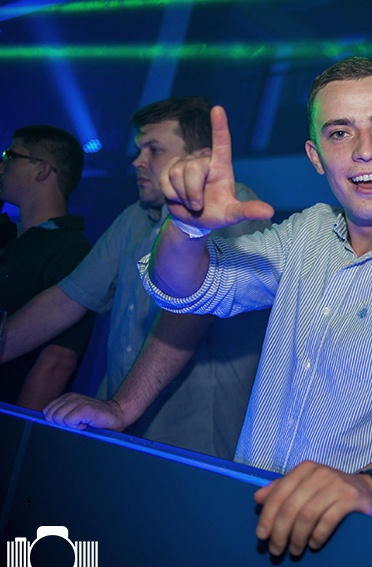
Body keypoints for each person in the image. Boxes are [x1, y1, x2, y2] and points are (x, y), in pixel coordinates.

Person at [138, 57, 372, 556]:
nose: (365, 150)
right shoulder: (306, 233)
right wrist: (187, 228)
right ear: (316, 156)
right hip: (247, 521)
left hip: (362, 549)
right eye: (340, 133)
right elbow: (185, 288)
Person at [1, 98, 269, 459]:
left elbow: (190, 313)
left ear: (201, 158)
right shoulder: (134, 217)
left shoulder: (229, 207)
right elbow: (67, 299)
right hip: (122, 431)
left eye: (154, 150)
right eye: (139, 149)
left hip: (191, 444)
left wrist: (120, 406)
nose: (137, 161)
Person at [0, 125, 94, 409]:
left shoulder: (71, 250)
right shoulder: (12, 238)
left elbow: (58, 360)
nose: (2, 166)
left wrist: (19, 430)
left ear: (42, 170)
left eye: (9, 156)